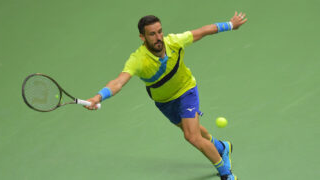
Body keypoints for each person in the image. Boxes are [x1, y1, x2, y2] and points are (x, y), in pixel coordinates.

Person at [85, 12, 247, 180]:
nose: (158, 37)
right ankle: (222, 147)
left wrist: (230, 25)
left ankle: (225, 173)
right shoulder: (138, 60)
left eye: (160, 32)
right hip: (164, 102)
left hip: (186, 91)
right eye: (152, 34)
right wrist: (99, 96)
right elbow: (118, 82)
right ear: (142, 37)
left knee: (191, 136)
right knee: (192, 129)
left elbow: (203, 31)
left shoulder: (174, 42)